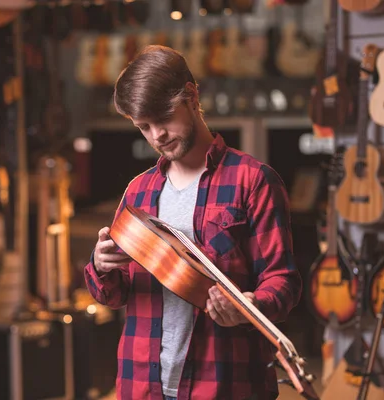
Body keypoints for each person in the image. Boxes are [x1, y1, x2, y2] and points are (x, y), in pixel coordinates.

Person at [83, 45, 303, 400]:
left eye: (164, 118)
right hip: (143, 386)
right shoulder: (137, 192)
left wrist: (248, 308)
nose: (157, 136)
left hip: (224, 385)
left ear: (191, 95)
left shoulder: (254, 180)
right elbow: (115, 294)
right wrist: (100, 265)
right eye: (144, 127)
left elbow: (283, 282)